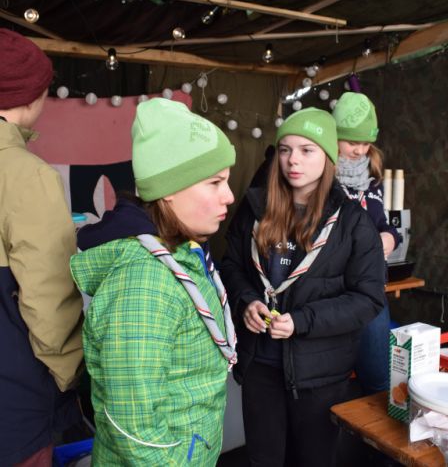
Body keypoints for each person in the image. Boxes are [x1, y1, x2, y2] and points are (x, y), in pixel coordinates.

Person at [70, 98, 237, 465]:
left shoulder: (185, 252)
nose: (229, 196)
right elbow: (137, 428)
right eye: (215, 182)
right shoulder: (144, 283)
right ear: (169, 188)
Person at [221, 107, 386, 467]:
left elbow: (367, 299)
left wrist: (302, 321)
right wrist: (247, 301)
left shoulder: (352, 222)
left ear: (327, 157)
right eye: (285, 150)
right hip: (260, 366)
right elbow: (230, 265)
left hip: (320, 375)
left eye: (307, 150)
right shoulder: (255, 209)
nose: (292, 160)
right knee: (262, 460)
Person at [0, 29, 84, 466]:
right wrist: (72, 376)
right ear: (30, 96)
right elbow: (49, 300)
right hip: (12, 399)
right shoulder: (27, 175)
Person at [333, 91, 400, 395]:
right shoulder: (322, 180)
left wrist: (390, 237)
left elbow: (385, 224)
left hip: (371, 287)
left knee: (378, 378)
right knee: (333, 380)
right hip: (335, 290)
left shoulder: (373, 182)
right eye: (351, 142)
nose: (359, 150)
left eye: (365, 143)